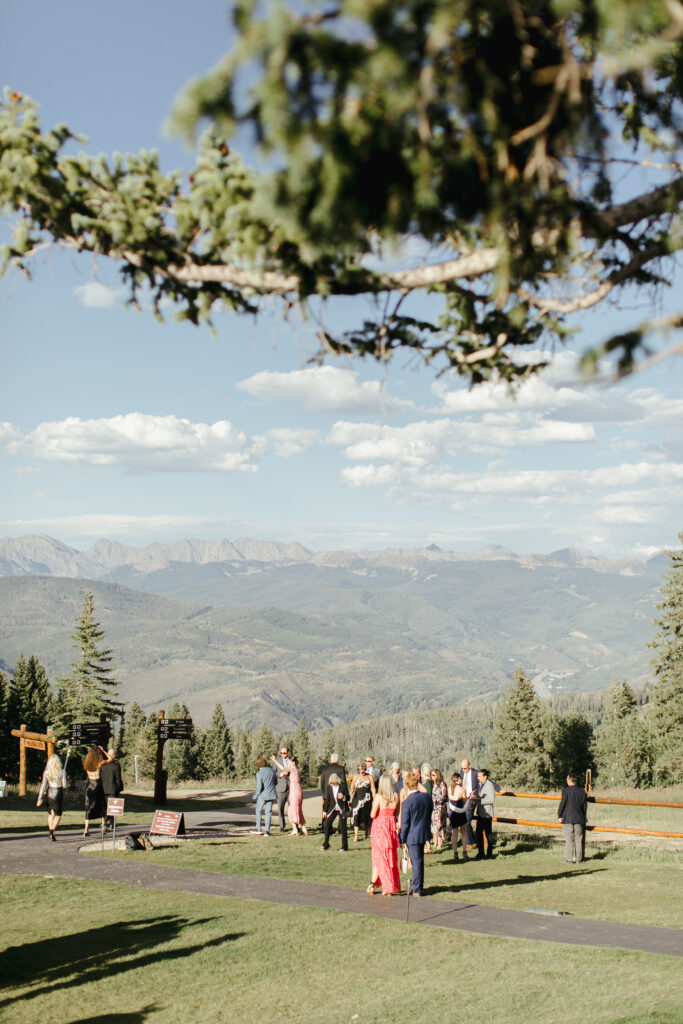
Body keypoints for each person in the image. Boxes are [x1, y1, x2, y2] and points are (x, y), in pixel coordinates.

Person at [399, 771, 433, 897]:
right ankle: (419, 885)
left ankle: (417, 889)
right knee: (420, 861)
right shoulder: (426, 797)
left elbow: (405, 823)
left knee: (416, 862)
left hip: (412, 835)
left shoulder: (407, 802)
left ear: (407, 786)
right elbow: (430, 811)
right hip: (423, 831)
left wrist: (402, 839)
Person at [368, 774, 401, 895]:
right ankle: (386, 885)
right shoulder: (395, 797)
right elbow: (396, 813)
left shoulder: (378, 797)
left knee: (379, 857)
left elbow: (372, 814)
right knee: (389, 857)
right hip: (390, 828)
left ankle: (385, 886)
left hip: (379, 828)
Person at [557, 773, 588, 863]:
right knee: (578, 839)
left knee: (569, 839)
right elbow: (585, 806)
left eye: (567, 779)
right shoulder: (582, 792)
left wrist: (560, 815)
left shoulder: (565, 791)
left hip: (568, 818)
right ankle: (579, 859)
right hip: (579, 818)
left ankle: (569, 859)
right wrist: (583, 815)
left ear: (569, 780)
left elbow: (563, 804)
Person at [82, 745, 112, 836]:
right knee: (101, 804)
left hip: (89, 785)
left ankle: (86, 829)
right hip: (97, 784)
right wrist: (103, 750)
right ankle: (103, 825)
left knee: (88, 806)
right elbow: (110, 759)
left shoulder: (86, 763)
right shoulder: (99, 763)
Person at [37, 753, 67, 841]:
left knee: (51, 813)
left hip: (50, 792)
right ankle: (52, 830)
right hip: (58, 792)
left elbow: (43, 785)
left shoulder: (46, 772)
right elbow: (64, 785)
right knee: (58, 814)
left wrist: (40, 798)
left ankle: (51, 832)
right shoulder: (62, 771)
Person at [321, 772, 350, 851]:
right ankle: (326, 843)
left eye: (334, 783)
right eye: (332, 783)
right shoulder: (329, 787)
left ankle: (344, 846)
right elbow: (328, 800)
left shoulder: (342, 786)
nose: (333, 784)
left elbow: (348, 797)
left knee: (343, 827)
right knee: (327, 824)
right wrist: (324, 811)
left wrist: (343, 797)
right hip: (332, 809)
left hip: (342, 808)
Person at [349, 763, 376, 842]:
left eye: (363, 770)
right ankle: (356, 835)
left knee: (367, 816)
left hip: (367, 799)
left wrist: (374, 798)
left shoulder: (369, 777)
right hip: (357, 798)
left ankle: (367, 833)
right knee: (356, 816)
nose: (361, 772)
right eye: (360, 770)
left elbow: (373, 789)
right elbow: (352, 785)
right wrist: (351, 792)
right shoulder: (356, 776)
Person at [252, 755, 277, 835]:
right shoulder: (272, 771)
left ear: (258, 765)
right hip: (271, 793)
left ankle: (258, 828)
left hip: (263, 794)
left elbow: (259, 787)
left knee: (258, 810)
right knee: (268, 812)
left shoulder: (259, 773)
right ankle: (267, 831)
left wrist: (256, 795)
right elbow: (275, 782)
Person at [447, 772, 469, 861]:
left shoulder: (449, 789)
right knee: (464, 832)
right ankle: (464, 851)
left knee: (454, 833)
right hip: (460, 812)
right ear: (459, 779)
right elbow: (464, 801)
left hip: (452, 812)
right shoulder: (462, 789)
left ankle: (455, 852)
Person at [474, 768, 496, 859]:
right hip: (481, 812)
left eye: (479, 776)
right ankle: (481, 852)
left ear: (485, 777)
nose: (478, 778)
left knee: (488, 833)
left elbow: (491, 799)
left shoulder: (489, 785)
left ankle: (489, 853)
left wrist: (480, 800)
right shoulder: (480, 785)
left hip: (487, 813)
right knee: (479, 832)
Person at [100, 747, 123, 828]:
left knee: (106, 807)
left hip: (103, 789)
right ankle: (106, 823)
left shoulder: (102, 765)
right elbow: (118, 779)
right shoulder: (116, 766)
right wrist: (119, 788)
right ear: (113, 756)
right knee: (112, 807)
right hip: (113, 789)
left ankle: (111, 823)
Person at [285, 755, 307, 835]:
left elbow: (283, 769)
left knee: (292, 809)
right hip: (298, 790)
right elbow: (293, 780)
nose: (288, 763)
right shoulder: (297, 770)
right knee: (297, 809)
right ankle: (303, 827)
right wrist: (286, 777)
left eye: (289, 762)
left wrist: (274, 761)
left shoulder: (292, 768)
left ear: (293, 762)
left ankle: (295, 829)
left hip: (294, 791)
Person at [271, 745, 291, 832]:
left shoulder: (291, 761)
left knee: (292, 807)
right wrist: (279, 775)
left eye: (285, 753)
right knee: (280, 808)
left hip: (290, 787)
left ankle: (295, 826)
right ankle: (282, 826)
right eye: (281, 753)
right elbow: (273, 773)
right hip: (280, 787)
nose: (283, 754)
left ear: (288, 753)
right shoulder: (277, 761)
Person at [461, 759, 479, 848]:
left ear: (469, 766)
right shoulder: (461, 773)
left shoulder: (475, 773)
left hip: (472, 800)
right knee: (464, 820)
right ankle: (469, 841)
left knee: (467, 820)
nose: (463, 770)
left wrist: (475, 793)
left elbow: (483, 783)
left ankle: (471, 842)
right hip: (463, 799)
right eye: (462, 768)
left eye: (465, 768)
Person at [430, 768, 448, 851]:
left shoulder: (442, 784)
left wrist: (437, 801)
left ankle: (440, 844)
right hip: (434, 808)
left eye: (433, 775)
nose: (432, 777)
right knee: (434, 825)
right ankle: (435, 842)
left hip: (441, 807)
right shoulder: (433, 785)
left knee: (440, 825)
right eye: (431, 775)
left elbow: (444, 796)